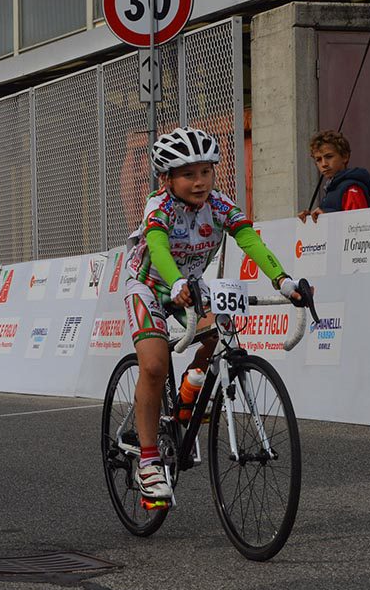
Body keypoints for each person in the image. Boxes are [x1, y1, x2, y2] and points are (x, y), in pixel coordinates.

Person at [124, 127, 306, 505]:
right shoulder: (159, 205)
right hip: (150, 285)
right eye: (188, 174)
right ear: (167, 178)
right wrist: (175, 282)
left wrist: (283, 280)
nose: (200, 182)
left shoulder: (220, 205)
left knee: (221, 332)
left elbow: (249, 240)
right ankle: (148, 461)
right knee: (154, 366)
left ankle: (190, 391)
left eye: (206, 172)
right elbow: (157, 246)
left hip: (191, 285)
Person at [298, 129, 370, 223]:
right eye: (318, 159)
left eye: (329, 157)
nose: (324, 164)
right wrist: (312, 220)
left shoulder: (352, 189)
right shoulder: (332, 189)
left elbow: (360, 225)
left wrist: (328, 217)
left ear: (345, 156)